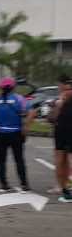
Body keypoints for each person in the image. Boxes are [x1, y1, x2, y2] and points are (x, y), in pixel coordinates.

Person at [0, 77, 34, 192]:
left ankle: (3, 184)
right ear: (13, 87)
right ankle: (24, 184)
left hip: (0, 133)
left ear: (0, 87)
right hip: (16, 133)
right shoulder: (20, 99)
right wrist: (26, 127)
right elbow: (32, 112)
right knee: (19, 159)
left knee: (1, 159)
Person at [48, 74, 72, 202]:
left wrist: (55, 111)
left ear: (62, 84)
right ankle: (65, 185)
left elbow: (55, 114)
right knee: (67, 160)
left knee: (60, 159)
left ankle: (61, 187)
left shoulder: (63, 96)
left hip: (62, 130)